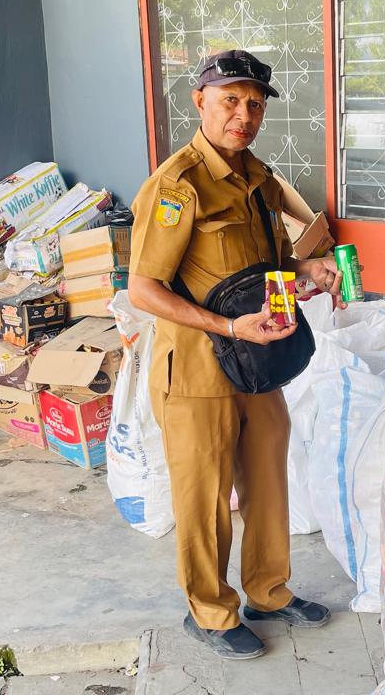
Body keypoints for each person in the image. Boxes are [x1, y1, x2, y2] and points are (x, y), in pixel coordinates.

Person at [127, 49, 345, 660]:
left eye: (254, 104)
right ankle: (211, 610)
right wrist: (227, 323)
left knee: (269, 483)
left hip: (258, 361)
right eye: (230, 100)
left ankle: (269, 592)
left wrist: (308, 270)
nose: (243, 114)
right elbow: (142, 289)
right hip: (198, 372)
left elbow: (268, 262)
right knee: (204, 497)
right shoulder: (176, 186)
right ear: (199, 102)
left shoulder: (257, 176)